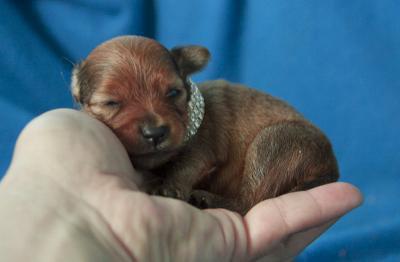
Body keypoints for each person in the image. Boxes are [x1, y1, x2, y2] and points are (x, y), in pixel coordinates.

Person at [0, 109, 362, 261]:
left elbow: (198, 155)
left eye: (170, 96)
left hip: (292, 149)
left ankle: (238, 201)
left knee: (270, 148)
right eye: (113, 104)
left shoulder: (202, 121)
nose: (152, 123)